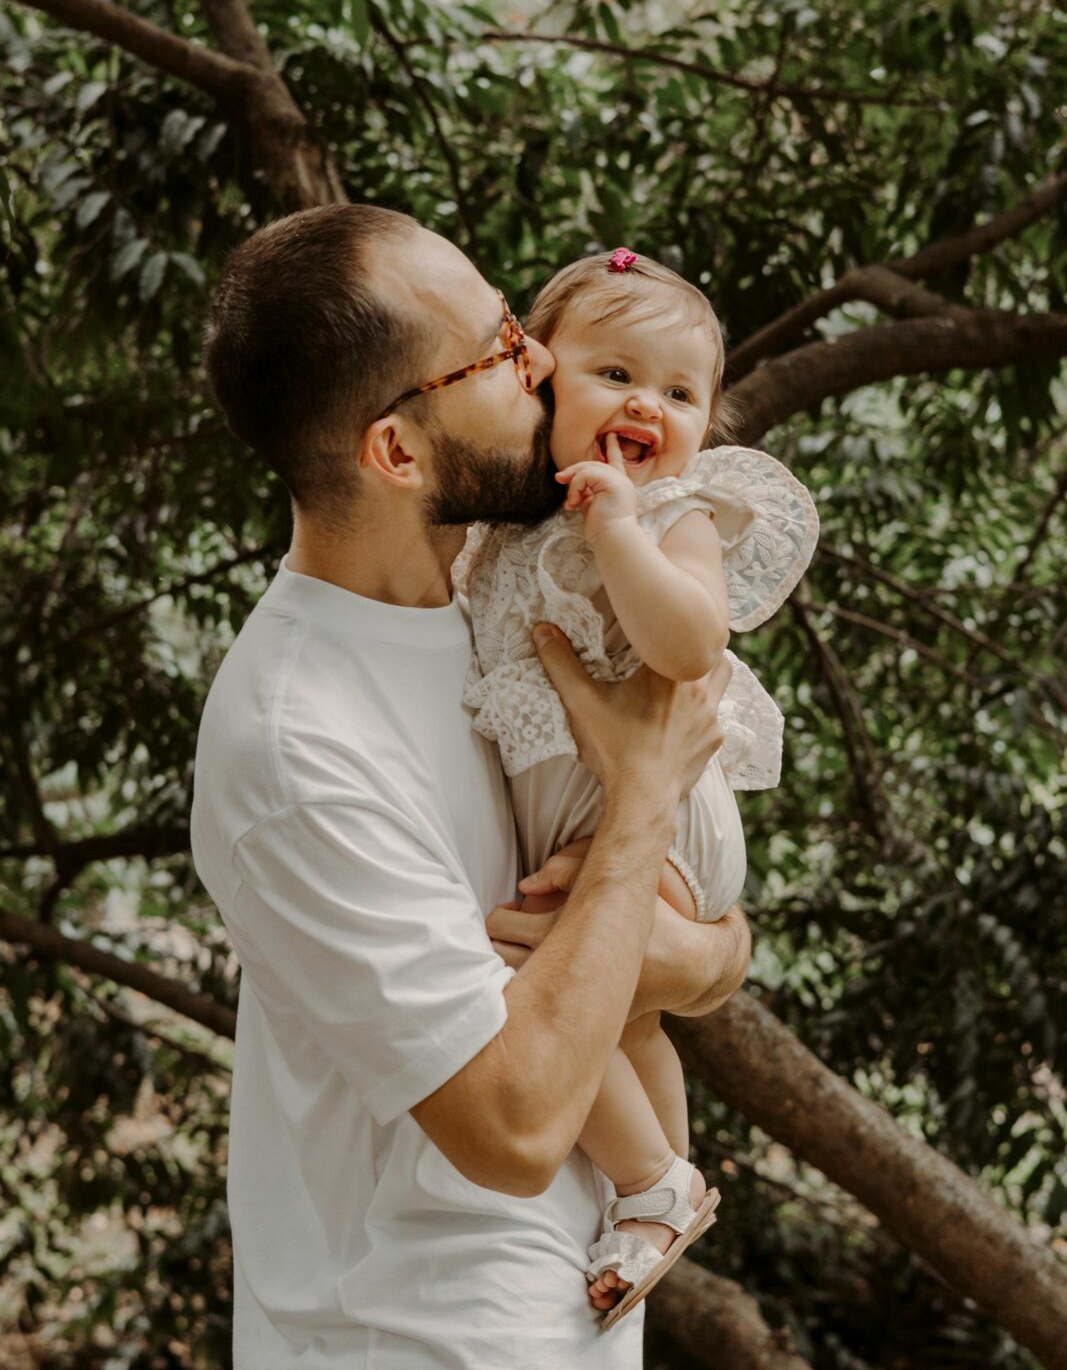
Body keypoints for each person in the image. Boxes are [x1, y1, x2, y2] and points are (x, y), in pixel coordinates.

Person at [190, 204, 751, 1370]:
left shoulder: (506, 596)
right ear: (396, 452)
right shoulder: (296, 743)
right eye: (496, 347)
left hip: (566, 1316)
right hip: (419, 1335)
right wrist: (641, 798)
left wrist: (695, 954)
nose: (540, 355)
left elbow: (703, 943)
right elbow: (513, 1125)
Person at [457, 247, 819, 1326]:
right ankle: (658, 1196)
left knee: (537, 975)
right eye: (613, 374)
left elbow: (689, 642)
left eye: (678, 392)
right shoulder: (505, 524)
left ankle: (651, 1185)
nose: (645, 406)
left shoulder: (673, 515)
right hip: (595, 813)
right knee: (624, 1019)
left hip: (660, 817)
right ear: (539, 380)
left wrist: (618, 525)